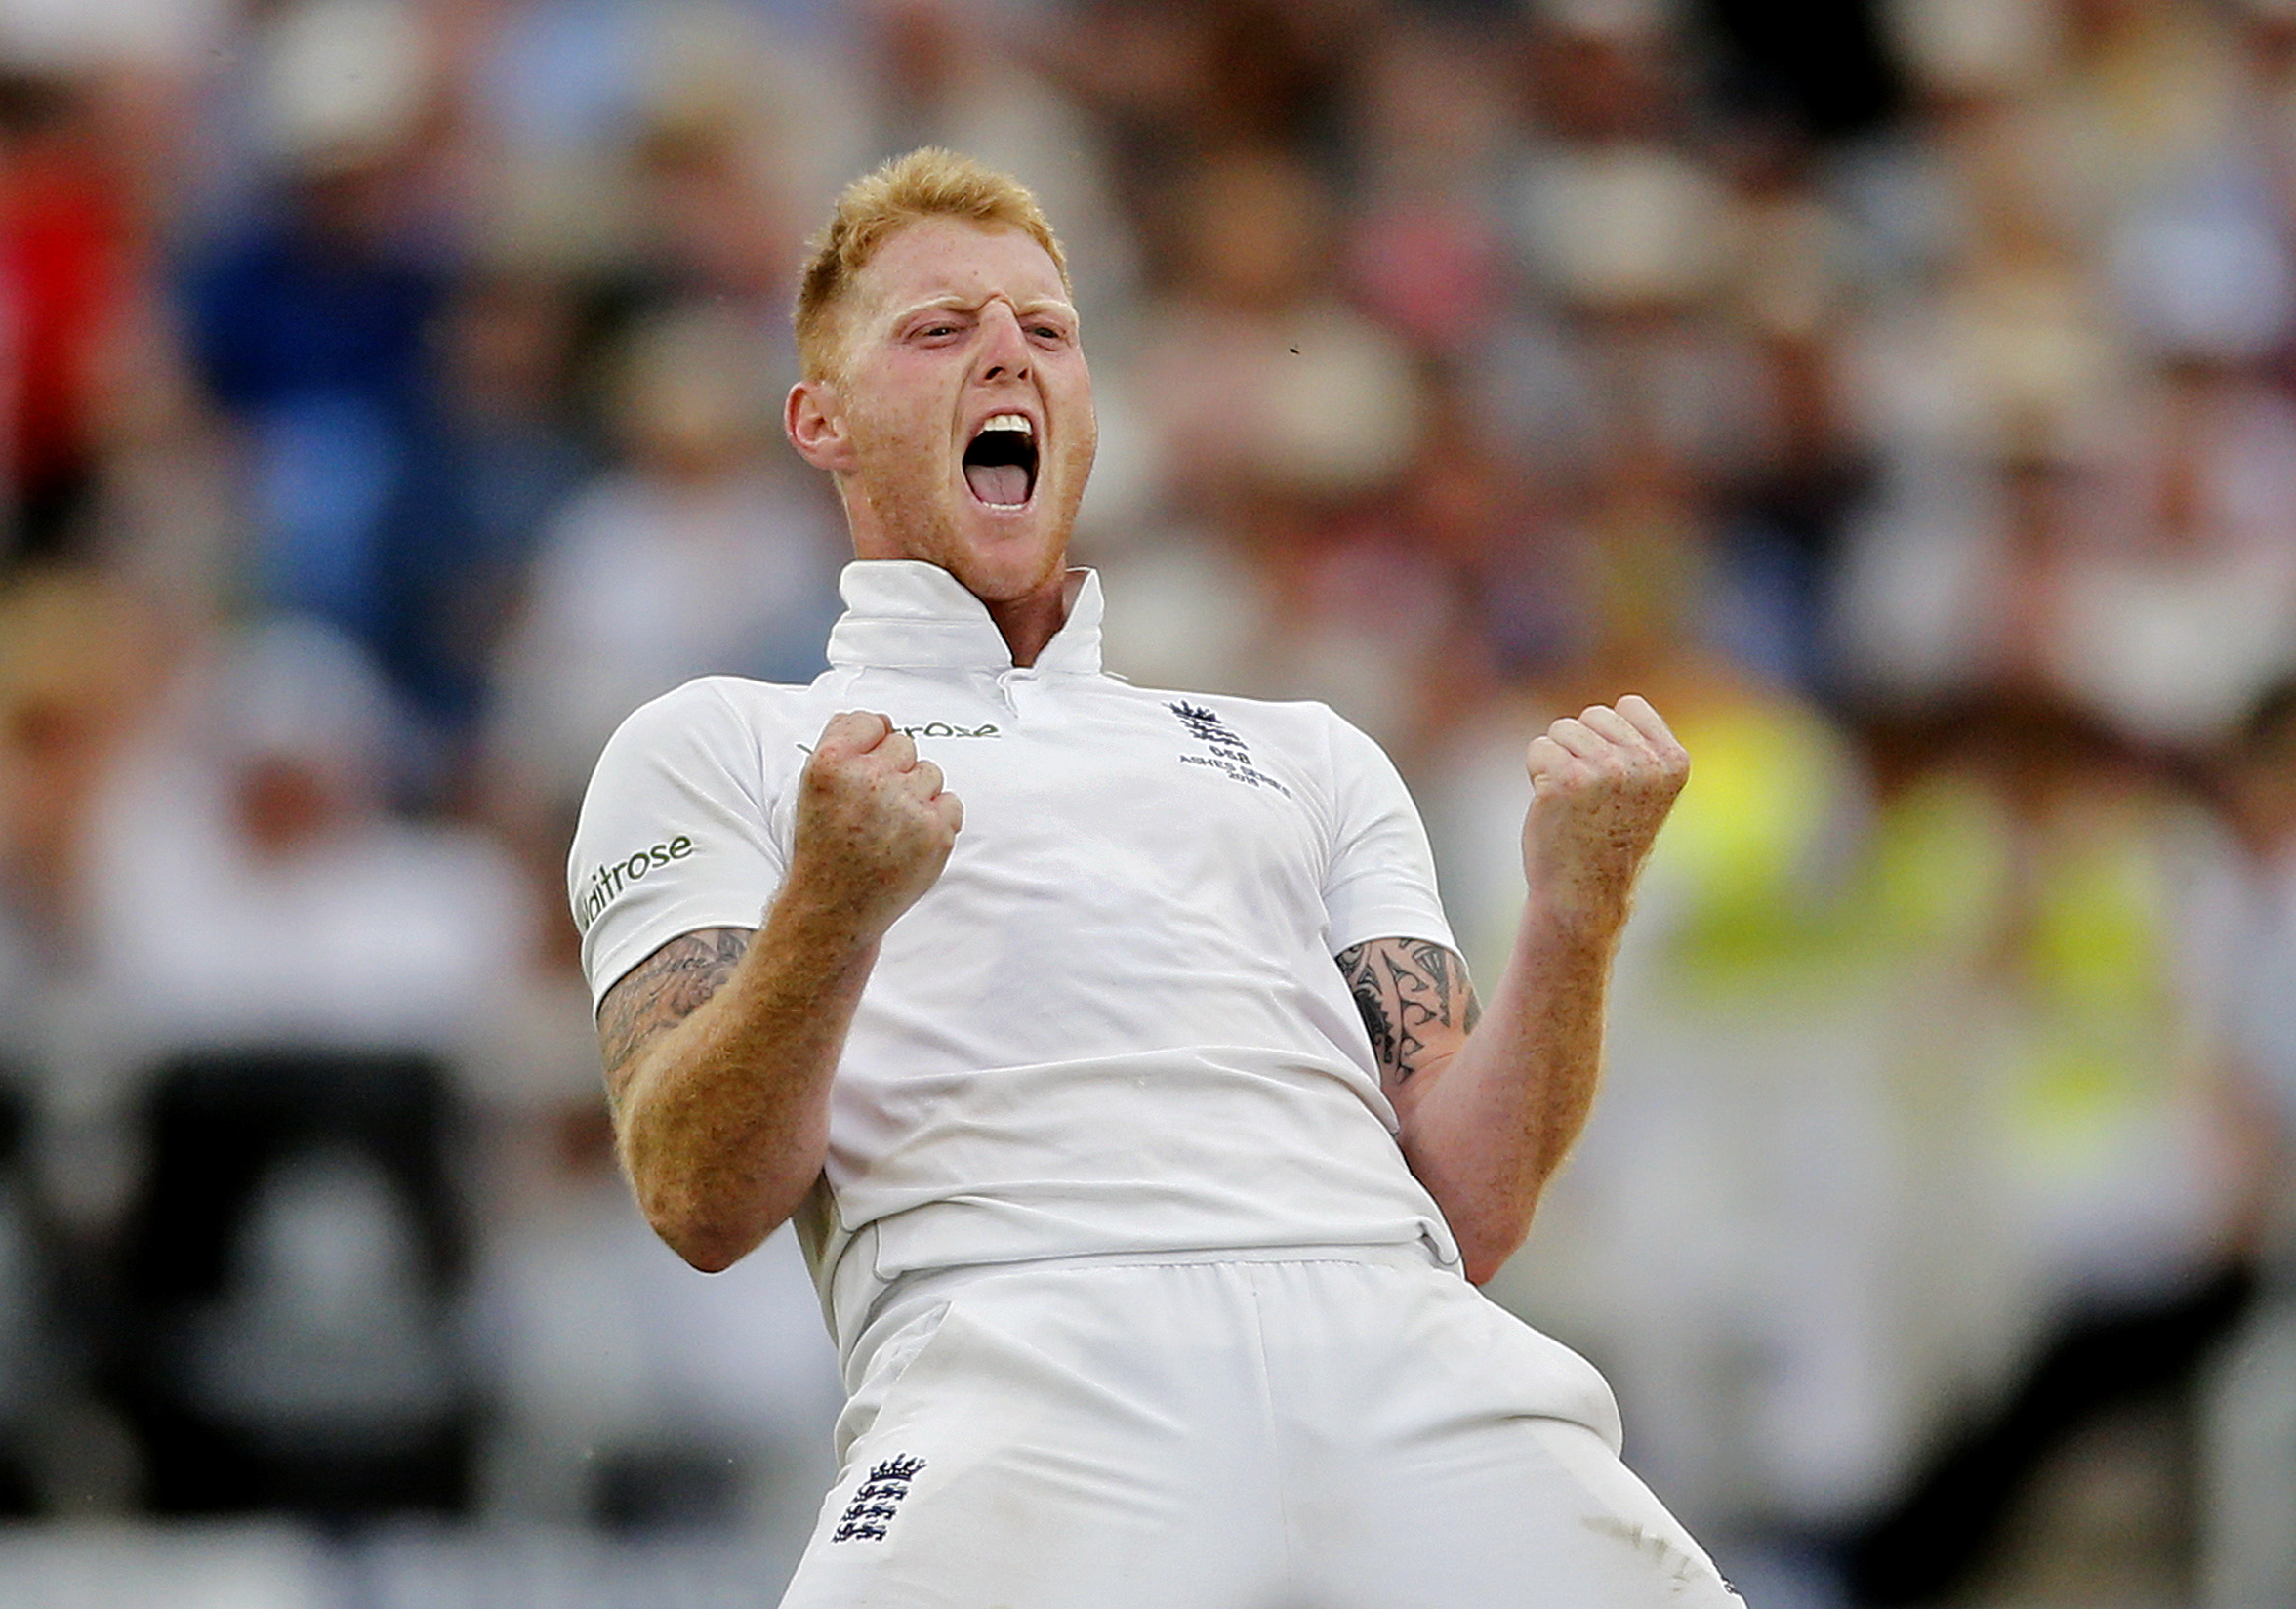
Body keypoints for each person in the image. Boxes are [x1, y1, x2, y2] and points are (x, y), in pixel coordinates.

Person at [567, 147, 1740, 1607]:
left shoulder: (1308, 751)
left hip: (1399, 1336)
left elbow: (1476, 1207)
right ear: (822, 422)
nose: (1005, 347)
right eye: (938, 330)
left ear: (1086, 413)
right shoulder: (725, 741)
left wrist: (1577, 909)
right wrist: (834, 904)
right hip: (1026, 1356)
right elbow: (694, 1194)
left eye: (1045, 330)